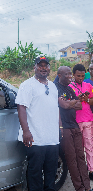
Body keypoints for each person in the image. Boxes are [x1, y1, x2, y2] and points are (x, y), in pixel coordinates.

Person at [16, 57, 61, 191]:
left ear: (49, 68)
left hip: (52, 138)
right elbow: (21, 107)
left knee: (51, 170)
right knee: (35, 172)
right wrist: (26, 131)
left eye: (45, 65)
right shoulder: (27, 85)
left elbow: (56, 108)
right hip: (35, 138)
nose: (43, 68)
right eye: (40, 65)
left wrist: (60, 127)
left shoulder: (52, 85)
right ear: (34, 68)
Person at [56, 66, 93, 191]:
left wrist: (69, 103)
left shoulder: (69, 89)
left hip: (74, 125)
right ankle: (80, 188)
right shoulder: (55, 88)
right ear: (59, 75)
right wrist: (71, 103)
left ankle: (87, 187)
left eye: (69, 74)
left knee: (80, 157)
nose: (69, 76)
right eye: (66, 74)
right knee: (71, 159)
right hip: (65, 127)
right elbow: (63, 105)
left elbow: (78, 106)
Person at [70, 64, 93, 183]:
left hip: (88, 119)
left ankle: (92, 171)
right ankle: (80, 172)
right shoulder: (69, 87)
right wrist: (78, 99)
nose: (80, 78)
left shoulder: (88, 85)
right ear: (73, 75)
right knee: (78, 148)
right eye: (78, 75)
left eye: (83, 76)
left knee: (89, 147)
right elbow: (66, 104)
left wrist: (86, 99)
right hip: (75, 121)